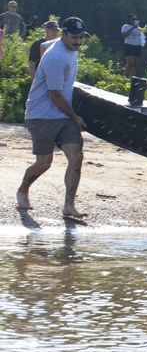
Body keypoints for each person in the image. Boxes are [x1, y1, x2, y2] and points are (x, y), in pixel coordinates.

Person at [17, 17, 89, 219]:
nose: (78, 42)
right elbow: (55, 94)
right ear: (64, 34)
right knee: (44, 162)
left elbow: (44, 46)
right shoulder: (56, 57)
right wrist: (75, 116)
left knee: (76, 157)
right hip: (41, 114)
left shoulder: (59, 46)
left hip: (62, 113)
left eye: (82, 37)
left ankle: (69, 205)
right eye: (75, 37)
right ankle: (23, 189)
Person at [121, 13, 145, 79]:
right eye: (132, 19)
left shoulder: (138, 28)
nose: (134, 20)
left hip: (137, 46)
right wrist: (132, 28)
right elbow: (125, 35)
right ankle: (124, 78)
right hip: (129, 45)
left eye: (135, 19)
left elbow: (141, 36)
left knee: (135, 64)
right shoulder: (126, 26)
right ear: (129, 20)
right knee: (130, 63)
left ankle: (132, 80)